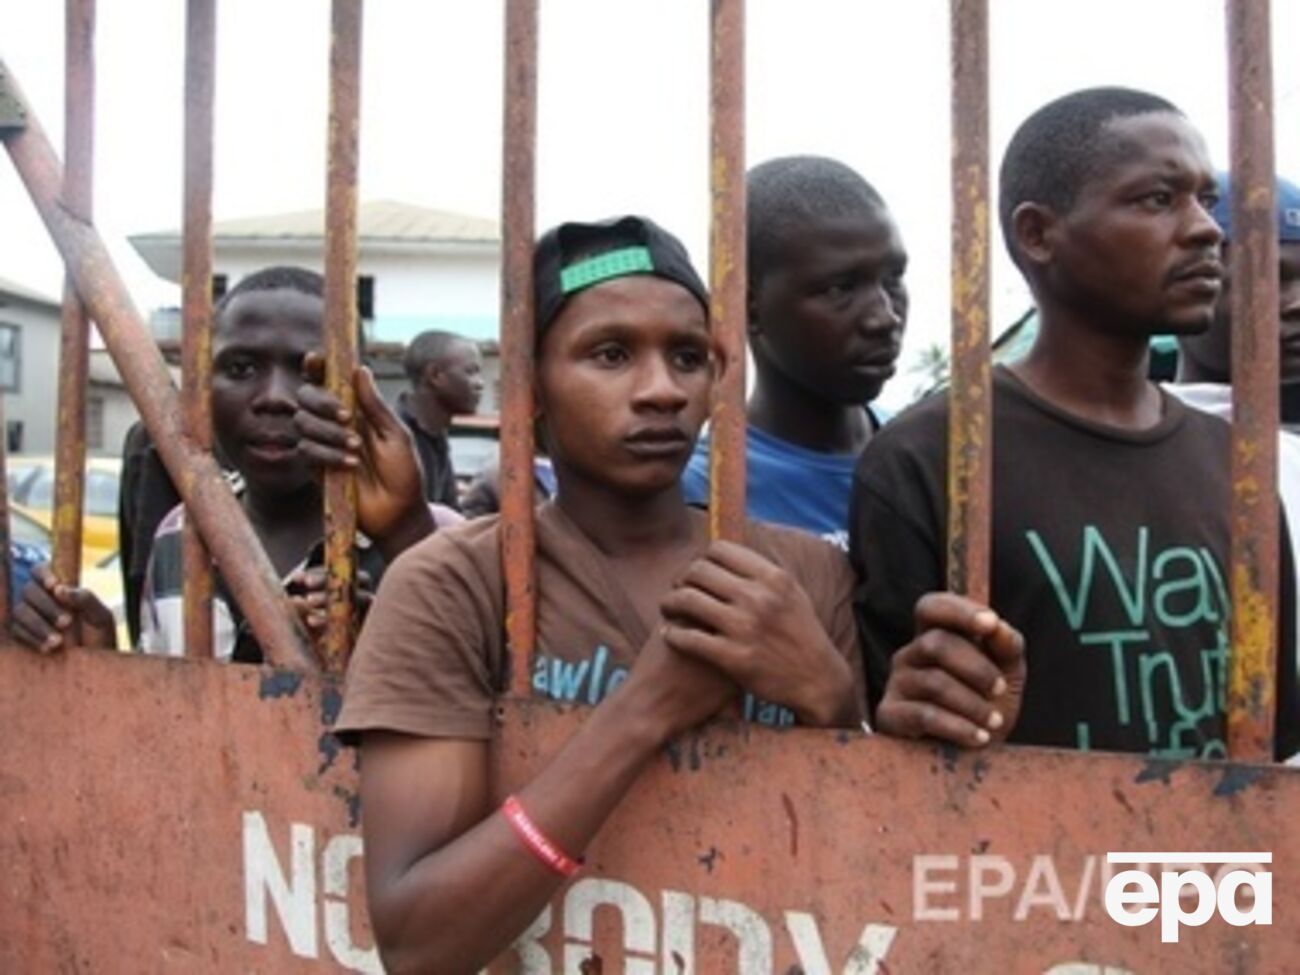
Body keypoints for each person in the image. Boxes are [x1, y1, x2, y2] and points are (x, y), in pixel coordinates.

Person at [330, 216, 881, 971]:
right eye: (611, 354)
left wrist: (831, 699)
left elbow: (867, 865)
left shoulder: (804, 573)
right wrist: (645, 710)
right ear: (531, 386)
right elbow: (420, 941)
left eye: (687, 356)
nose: (662, 391)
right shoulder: (455, 582)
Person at [850, 87, 1300, 760]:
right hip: (1012, 834)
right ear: (1038, 234)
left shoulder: (1236, 462)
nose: (1207, 229)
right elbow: (896, 747)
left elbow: (1273, 745)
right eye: (1159, 199)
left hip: (1215, 834)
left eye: (1205, 200)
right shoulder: (931, 455)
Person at [12, 266, 441, 660]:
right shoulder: (178, 536)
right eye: (241, 368)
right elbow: (165, 708)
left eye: (312, 373)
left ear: (361, 388)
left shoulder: (429, 538)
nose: (275, 397)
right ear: (203, 385)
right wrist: (98, 660)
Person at [682, 156, 907, 549]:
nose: (884, 317)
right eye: (840, 289)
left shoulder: (935, 455)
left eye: (893, 279)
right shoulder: (699, 494)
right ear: (747, 308)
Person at [397, 329, 485, 509]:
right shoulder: (397, 436)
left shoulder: (435, 434)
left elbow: (449, 512)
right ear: (435, 375)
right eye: (470, 372)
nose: (480, 383)